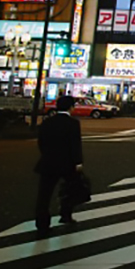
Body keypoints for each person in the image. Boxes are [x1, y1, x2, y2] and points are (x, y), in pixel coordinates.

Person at [34, 96, 84, 236]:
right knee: (70, 190)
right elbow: (75, 145)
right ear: (70, 107)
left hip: (48, 162)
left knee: (44, 194)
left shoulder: (47, 122)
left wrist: (46, 154)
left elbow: (41, 142)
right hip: (67, 163)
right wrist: (78, 162)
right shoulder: (73, 123)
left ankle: (42, 222)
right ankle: (66, 214)